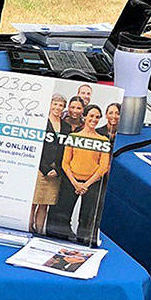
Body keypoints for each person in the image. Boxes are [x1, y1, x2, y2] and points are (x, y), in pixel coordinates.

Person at [50, 104, 111, 243]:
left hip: (92, 184)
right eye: (91, 116)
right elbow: (65, 163)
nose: (94, 119)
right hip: (71, 181)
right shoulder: (73, 137)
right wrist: (75, 183)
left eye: (97, 117)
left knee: (86, 217)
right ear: (85, 117)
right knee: (64, 214)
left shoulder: (103, 141)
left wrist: (86, 185)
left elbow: (103, 167)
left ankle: (82, 242)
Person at [30, 93, 68, 234]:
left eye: (61, 105)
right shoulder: (41, 123)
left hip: (56, 172)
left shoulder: (66, 127)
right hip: (40, 170)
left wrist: (58, 169)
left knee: (45, 205)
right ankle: (29, 229)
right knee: (33, 203)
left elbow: (65, 151)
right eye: (55, 104)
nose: (58, 107)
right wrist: (45, 169)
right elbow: (36, 147)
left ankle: (39, 231)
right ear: (50, 105)